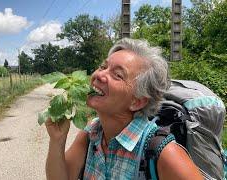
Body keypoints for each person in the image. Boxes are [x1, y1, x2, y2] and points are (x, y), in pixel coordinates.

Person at [45, 38, 203, 180]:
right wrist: (57, 140)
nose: (99, 75)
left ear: (138, 101)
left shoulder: (164, 153)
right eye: (103, 67)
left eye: (117, 75)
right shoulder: (92, 133)